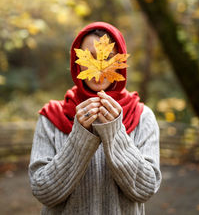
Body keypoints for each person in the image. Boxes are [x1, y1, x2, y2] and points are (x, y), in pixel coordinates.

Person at [29, 21, 162, 215]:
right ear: (77, 61)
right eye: (89, 58)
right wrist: (80, 136)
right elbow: (43, 191)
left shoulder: (142, 117)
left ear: (120, 63)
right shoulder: (52, 117)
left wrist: (115, 133)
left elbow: (146, 189)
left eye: (108, 58)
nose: (99, 69)